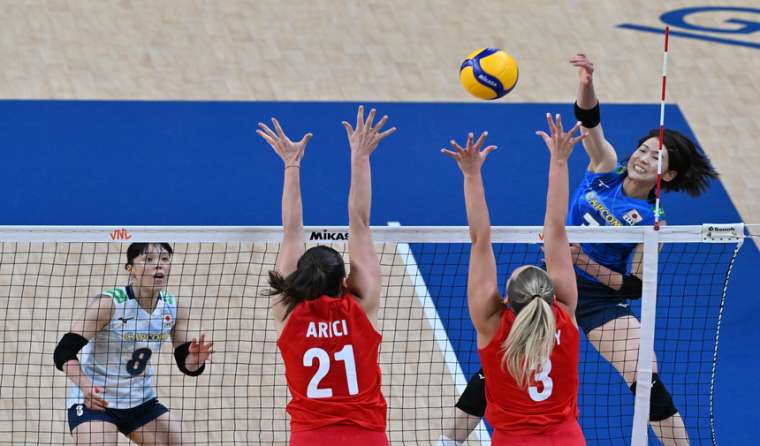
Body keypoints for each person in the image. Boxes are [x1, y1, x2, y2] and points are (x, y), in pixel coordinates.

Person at [440, 54, 718, 446]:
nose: (642, 157)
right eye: (642, 149)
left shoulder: (651, 221)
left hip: (601, 300)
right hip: (553, 285)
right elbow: (589, 123)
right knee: (494, 372)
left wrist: (584, 260)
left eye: (656, 157)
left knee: (646, 380)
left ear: (667, 175)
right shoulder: (605, 169)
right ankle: (446, 440)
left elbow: (634, 286)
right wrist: (586, 83)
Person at [440, 115, 588, 445]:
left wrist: (471, 174)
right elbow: (555, 228)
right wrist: (560, 161)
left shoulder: (492, 325)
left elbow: (481, 239)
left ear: (506, 298)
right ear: (551, 297)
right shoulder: (565, 313)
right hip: (567, 438)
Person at [259, 106, 395, 446]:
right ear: (345, 282)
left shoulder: (288, 310)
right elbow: (359, 222)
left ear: (299, 278)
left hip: (310, 438)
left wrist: (291, 164)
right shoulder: (360, 305)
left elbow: (292, 232)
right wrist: (360, 155)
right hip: (368, 437)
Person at [53, 242, 214, 445]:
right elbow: (63, 351)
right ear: (131, 269)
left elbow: (188, 366)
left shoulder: (173, 307)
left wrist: (195, 360)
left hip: (140, 402)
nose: (159, 265)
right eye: (148, 259)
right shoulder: (109, 304)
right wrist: (86, 386)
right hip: (94, 402)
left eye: (164, 259)